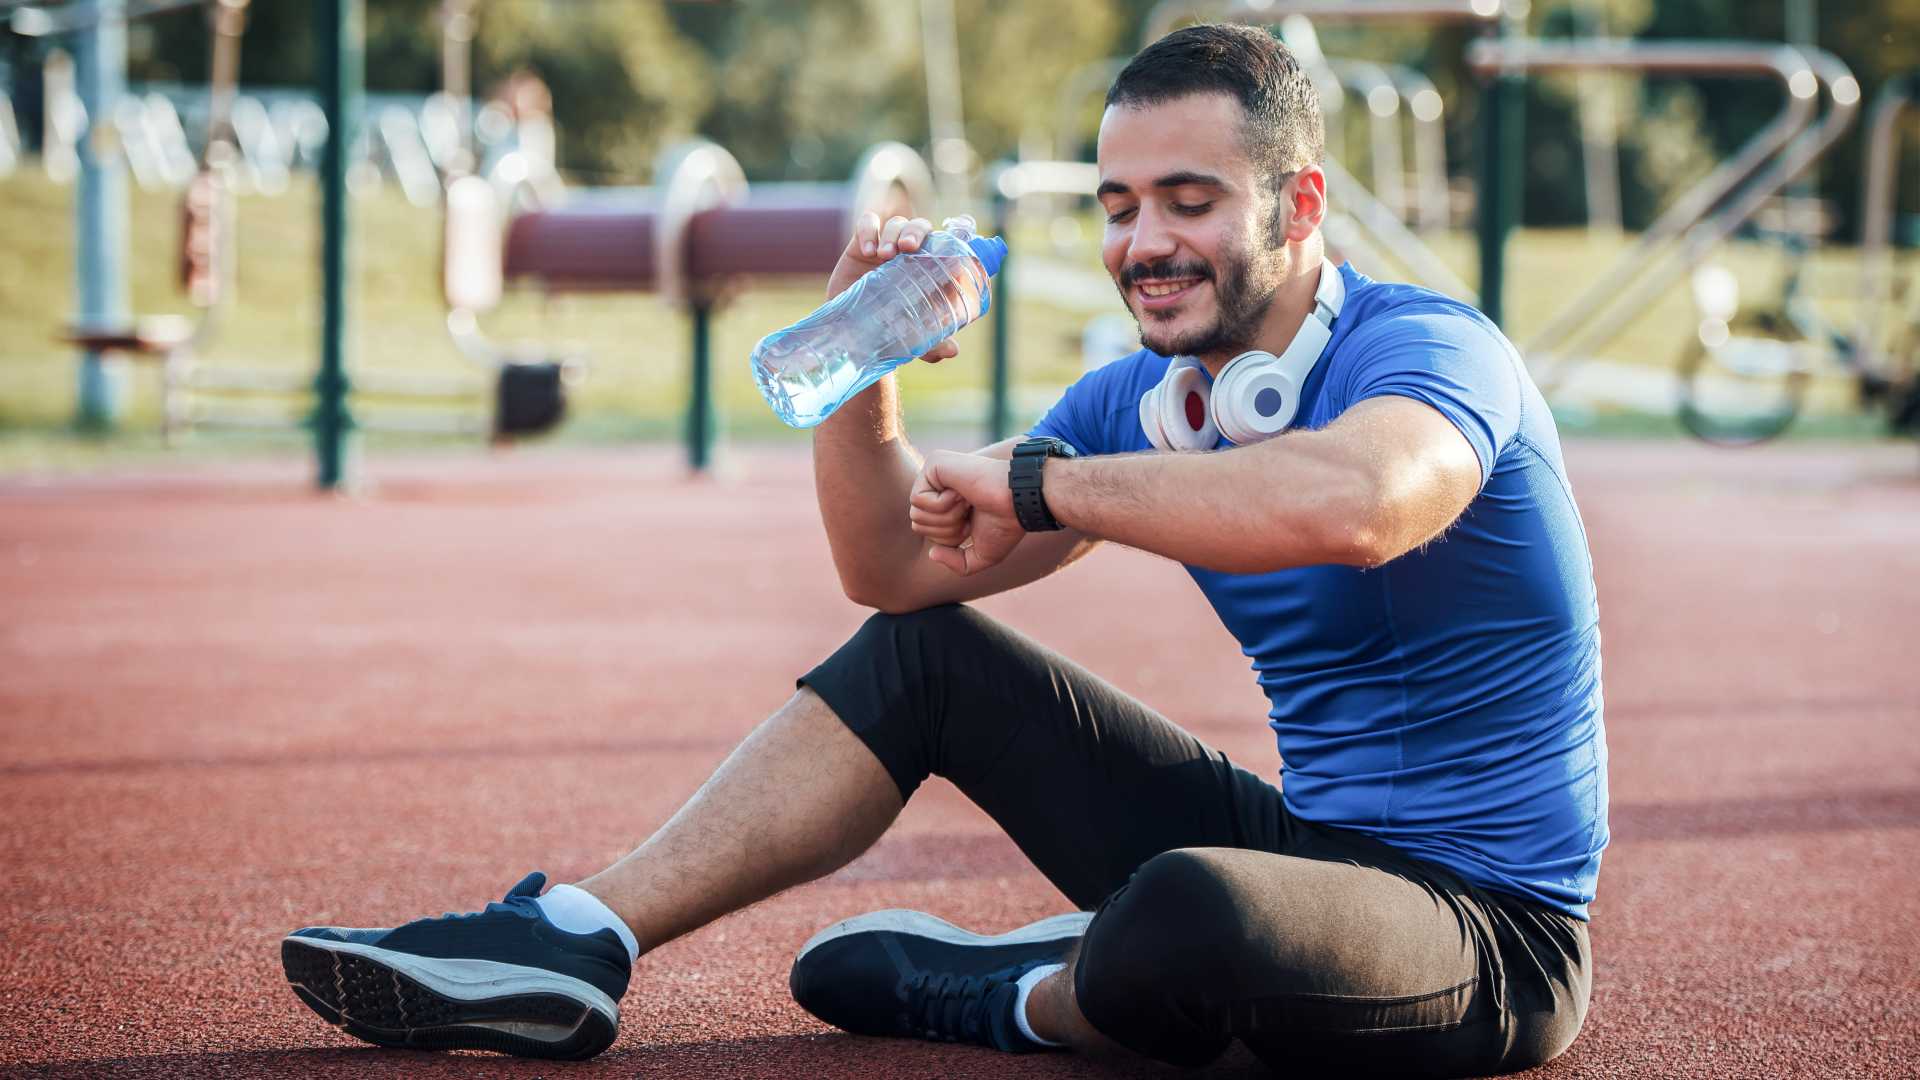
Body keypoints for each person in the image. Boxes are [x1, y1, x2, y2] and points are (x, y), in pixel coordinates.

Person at [280, 24, 1606, 1076]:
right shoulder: (1142, 402)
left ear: (1299, 202)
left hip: (1491, 932)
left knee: (1189, 918)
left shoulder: (1429, 353)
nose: (1143, 246)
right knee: (928, 656)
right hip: (1309, 855)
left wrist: (1052, 486)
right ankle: (572, 939)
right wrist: (865, 359)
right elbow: (893, 570)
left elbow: (1360, 504)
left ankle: (1032, 995)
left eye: (1189, 201)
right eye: (1121, 204)